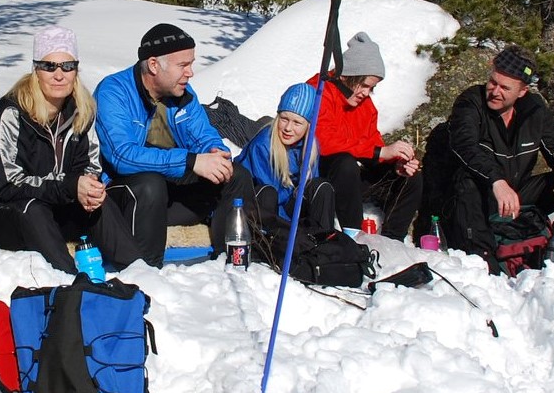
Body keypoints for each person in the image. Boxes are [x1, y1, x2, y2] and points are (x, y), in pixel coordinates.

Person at [0, 28, 139, 274]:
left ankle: (139, 271)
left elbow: (89, 167)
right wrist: (70, 186)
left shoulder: (82, 110)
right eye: (49, 67)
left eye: (67, 66)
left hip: (54, 208)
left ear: (76, 71)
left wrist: (88, 189)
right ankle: (70, 280)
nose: (59, 75)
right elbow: (9, 186)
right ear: (36, 70)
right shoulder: (11, 113)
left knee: (100, 202)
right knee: (33, 208)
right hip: (1, 213)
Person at [94, 22, 254, 267]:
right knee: (151, 183)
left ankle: (230, 261)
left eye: (191, 64)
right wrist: (190, 161)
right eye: (183, 65)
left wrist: (216, 153)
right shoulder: (114, 91)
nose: (190, 72)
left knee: (235, 174)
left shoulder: (183, 94)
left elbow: (204, 134)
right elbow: (121, 156)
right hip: (126, 194)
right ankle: (146, 270)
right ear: (154, 65)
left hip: (169, 192)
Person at [440, 46, 554, 259]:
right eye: (493, 82)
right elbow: (465, 145)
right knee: (466, 183)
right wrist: (496, 181)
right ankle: (483, 259)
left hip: (517, 192)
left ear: (522, 91)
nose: (495, 92)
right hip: (482, 195)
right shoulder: (471, 102)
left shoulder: (533, 109)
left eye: (505, 88)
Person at [308, 32, 424, 241]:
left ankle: (393, 240)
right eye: (363, 85)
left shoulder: (365, 106)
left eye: (371, 88)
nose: (366, 93)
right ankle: (353, 235)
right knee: (345, 162)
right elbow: (322, 141)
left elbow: (373, 145)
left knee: (410, 177)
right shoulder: (318, 91)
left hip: (350, 182)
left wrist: (395, 164)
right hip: (319, 177)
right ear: (346, 76)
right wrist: (379, 152)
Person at [242, 82, 337, 233]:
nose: (288, 128)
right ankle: (276, 239)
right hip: (259, 208)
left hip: (288, 206)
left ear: (308, 126)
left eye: (297, 122)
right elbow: (274, 197)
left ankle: (322, 237)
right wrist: (291, 229)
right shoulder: (263, 145)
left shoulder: (309, 147)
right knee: (268, 193)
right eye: (284, 119)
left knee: (321, 187)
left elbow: (310, 185)